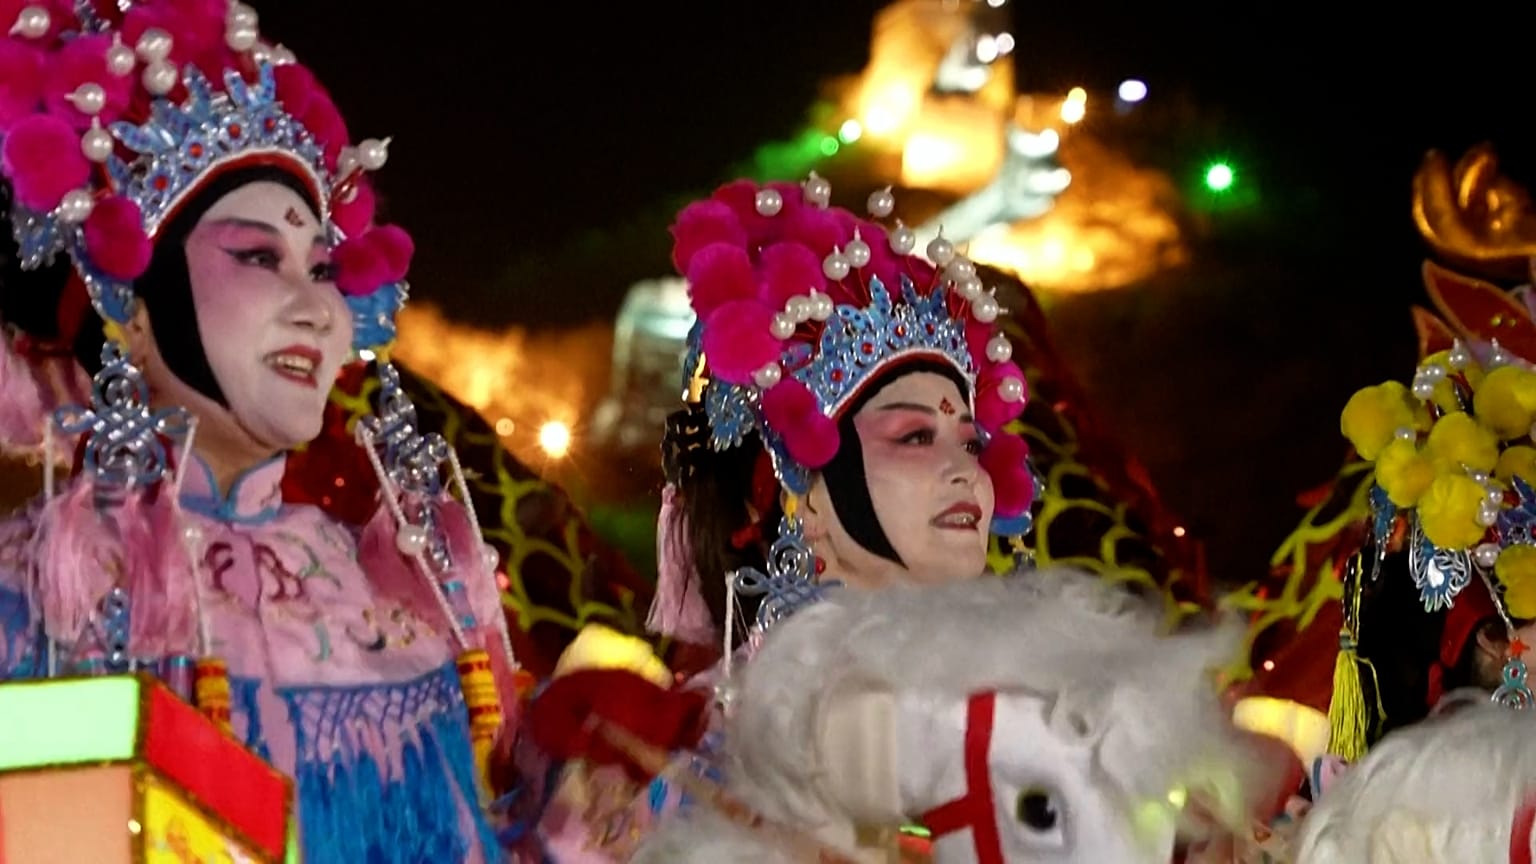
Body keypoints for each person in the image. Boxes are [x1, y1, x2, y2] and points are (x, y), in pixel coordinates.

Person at [0, 2, 519, 860]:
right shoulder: (35, 594)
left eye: (322, 269)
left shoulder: (398, 600)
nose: (316, 309)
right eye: (256, 257)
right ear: (124, 300)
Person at [513, 174, 1044, 860]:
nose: (963, 468)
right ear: (803, 491)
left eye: (971, 442)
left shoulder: (1026, 711)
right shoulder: (686, 756)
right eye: (914, 436)